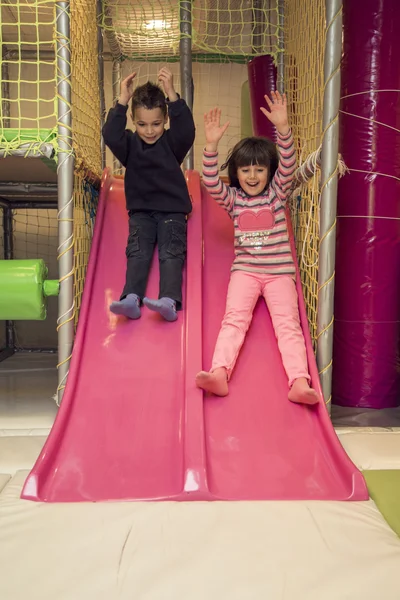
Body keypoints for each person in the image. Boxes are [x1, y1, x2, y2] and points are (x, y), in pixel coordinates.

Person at [195, 91, 319, 405]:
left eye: (260, 169)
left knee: (288, 325)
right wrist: (210, 146)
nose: (252, 176)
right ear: (236, 174)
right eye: (245, 170)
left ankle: (299, 382)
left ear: (269, 172)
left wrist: (284, 129)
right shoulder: (234, 201)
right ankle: (219, 373)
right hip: (246, 272)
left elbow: (289, 166)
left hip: (279, 275)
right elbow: (210, 181)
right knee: (234, 319)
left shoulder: (277, 195)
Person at [102, 68, 195, 322]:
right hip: (141, 212)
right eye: (142, 124)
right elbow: (110, 134)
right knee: (137, 252)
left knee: (171, 252)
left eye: (156, 124)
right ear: (133, 120)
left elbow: (187, 131)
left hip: (172, 211)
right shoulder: (130, 145)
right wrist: (122, 101)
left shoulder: (172, 143)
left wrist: (172, 96)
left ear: (165, 120)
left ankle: (168, 301)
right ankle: (131, 298)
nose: (150, 131)